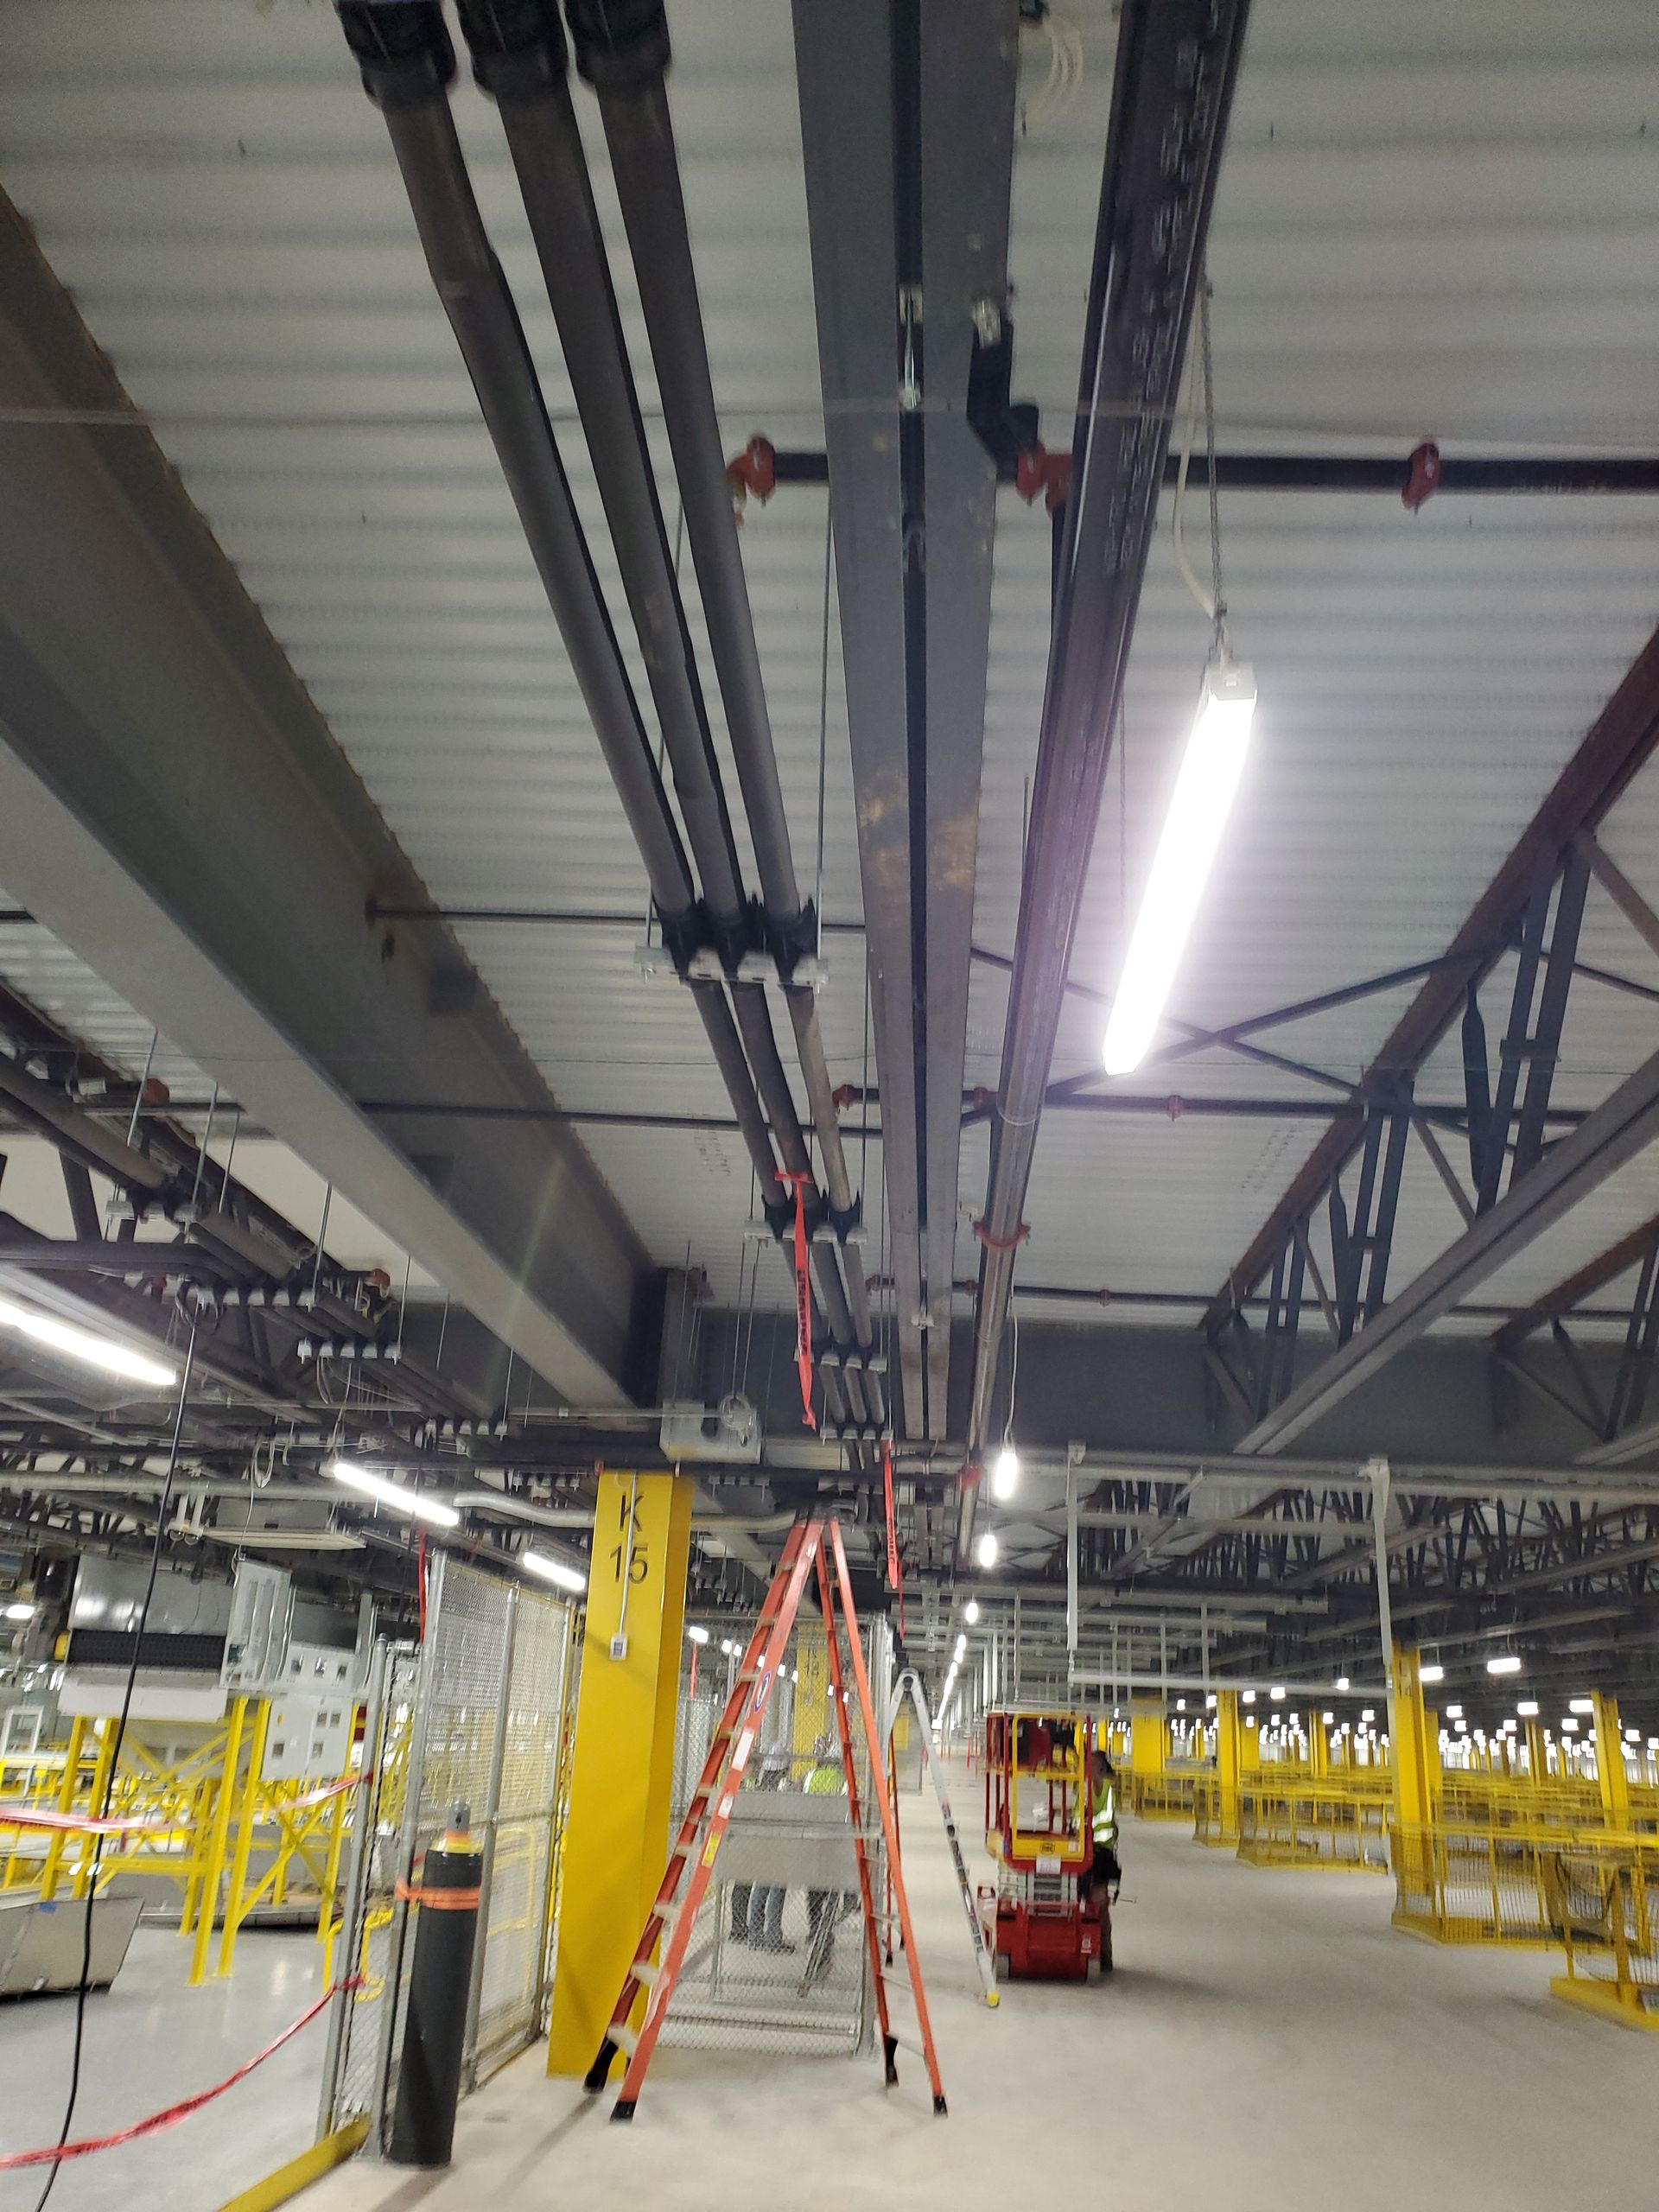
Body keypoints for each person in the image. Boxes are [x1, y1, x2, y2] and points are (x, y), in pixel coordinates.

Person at [804, 1735, 849, 1972]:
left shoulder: (811, 1776)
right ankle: (826, 1929)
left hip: (812, 1839)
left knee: (813, 1889)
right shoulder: (844, 1780)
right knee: (831, 1890)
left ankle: (813, 1928)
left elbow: (803, 1798)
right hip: (834, 1842)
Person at [1086, 1745, 1121, 1902]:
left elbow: (1105, 1817)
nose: (1088, 1767)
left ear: (1100, 1767)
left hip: (1101, 1846)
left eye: (1092, 1764)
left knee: (1098, 1896)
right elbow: (1083, 1811)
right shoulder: (1086, 1787)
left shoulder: (1108, 1788)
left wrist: (1085, 1827)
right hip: (1084, 1845)